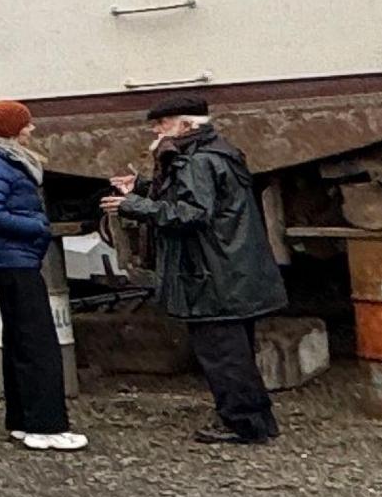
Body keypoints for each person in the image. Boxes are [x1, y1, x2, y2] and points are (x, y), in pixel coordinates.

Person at [108, 107, 285, 445]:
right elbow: (200, 198)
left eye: (162, 124)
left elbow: (192, 213)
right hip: (229, 269)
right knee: (237, 351)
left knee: (223, 355)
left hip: (210, 272)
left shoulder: (196, 161)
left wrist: (133, 205)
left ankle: (241, 424)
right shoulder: (217, 153)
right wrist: (144, 187)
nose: (156, 131)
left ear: (186, 126)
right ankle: (256, 419)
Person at [0, 99, 81, 450]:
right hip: (15, 259)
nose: (31, 129)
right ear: (10, 130)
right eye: (25, 124)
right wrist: (37, 226)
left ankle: (22, 421)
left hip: (7, 260)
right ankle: (47, 426)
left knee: (20, 341)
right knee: (39, 344)